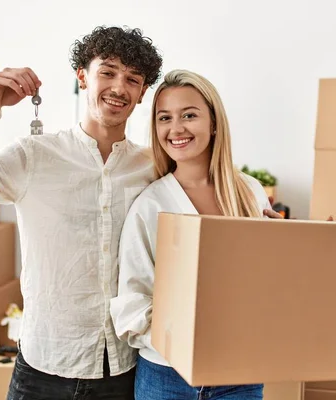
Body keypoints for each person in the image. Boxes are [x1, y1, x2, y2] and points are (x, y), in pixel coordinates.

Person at [0, 26, 163, 400]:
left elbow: (207, 181)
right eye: (108, 72)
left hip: (122, 367)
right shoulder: (34, 156)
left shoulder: (152, 166)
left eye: (133, 79)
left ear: (142, 92)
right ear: (82, 76)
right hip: (43, 366)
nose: (119, 87)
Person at [110, 69, 283, 400]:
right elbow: (133, 301)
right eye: (165, 118)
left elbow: (265, 286)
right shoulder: (150, 206)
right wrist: (181, 338)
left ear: (214, 122)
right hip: (166, 377)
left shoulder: (249, 191)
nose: (176, 128)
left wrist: (292, 246)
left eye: (189, 115)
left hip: (239, 373)